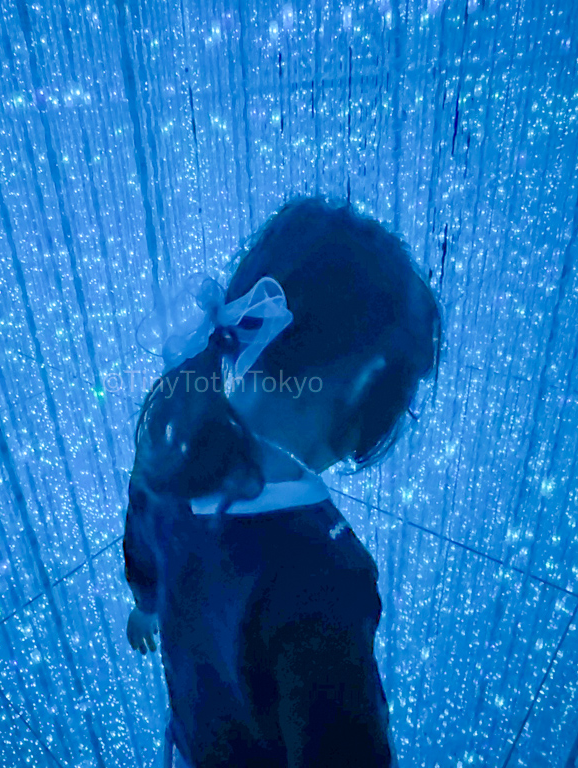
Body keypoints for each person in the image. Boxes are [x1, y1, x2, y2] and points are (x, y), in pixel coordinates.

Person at [122, 196, 441, 768]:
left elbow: (142, 531)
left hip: (196, 730)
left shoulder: (178, 426)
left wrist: (147, 603)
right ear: (365, 387)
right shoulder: (325, 575)